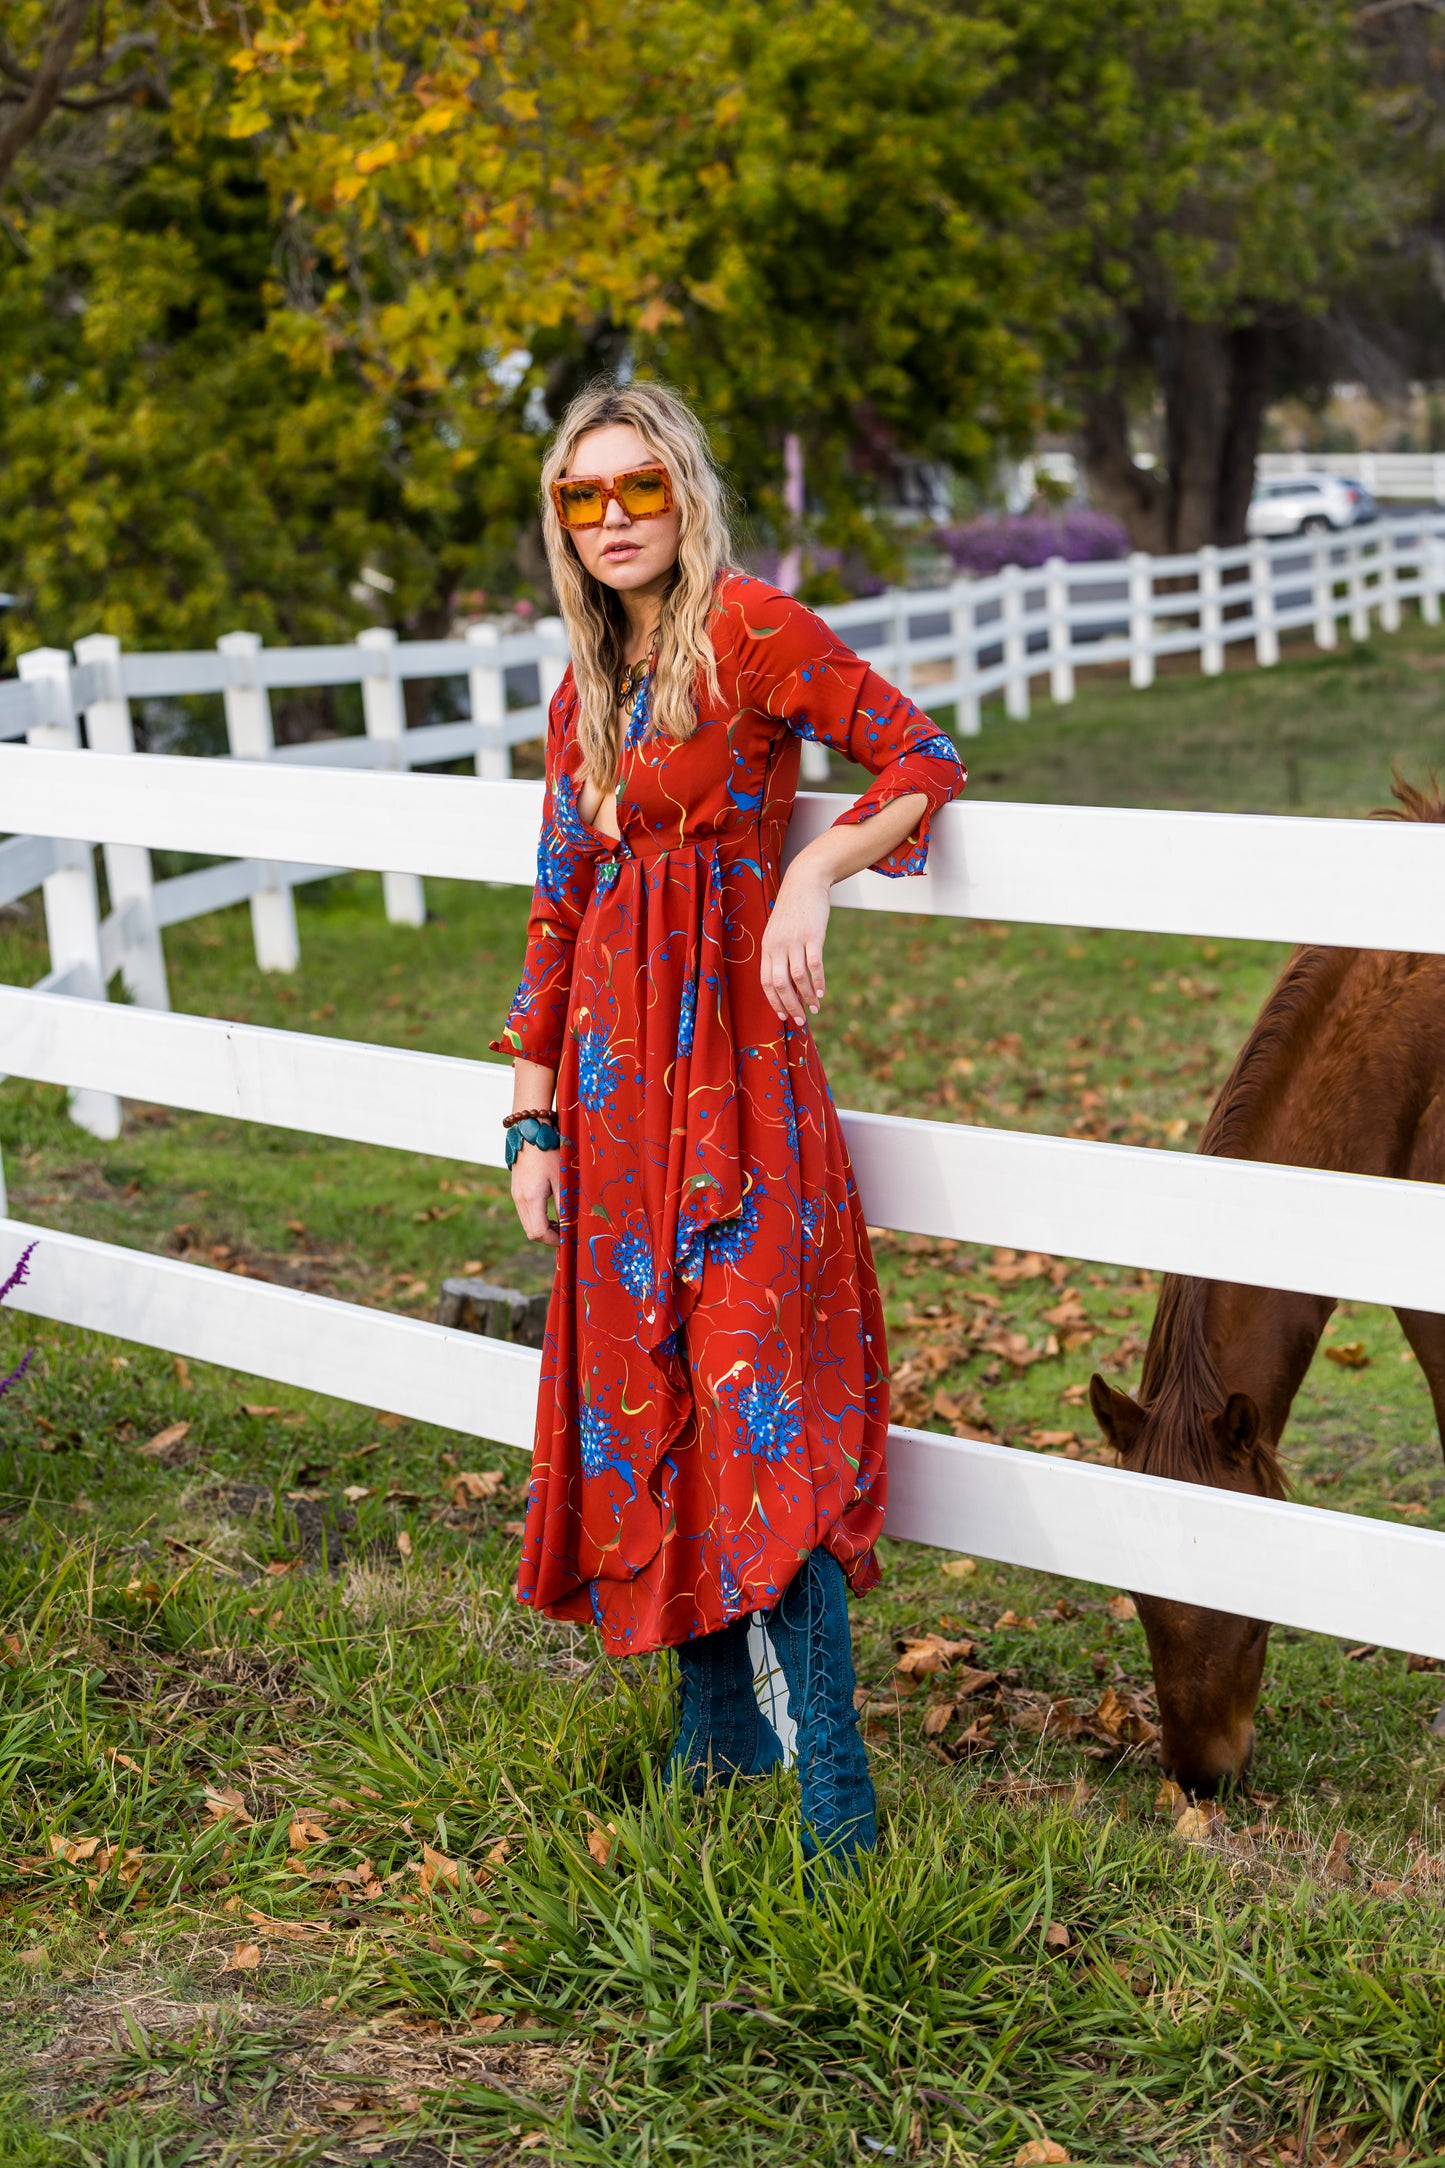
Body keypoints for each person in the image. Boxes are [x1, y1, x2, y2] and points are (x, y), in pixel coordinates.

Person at [492, 379, 965, 1871]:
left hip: (738, 1077)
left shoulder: (755, 630)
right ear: (561, 524)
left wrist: (810, 877)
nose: (614, 519)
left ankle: (835, 1788)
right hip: (613, 1098)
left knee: (760, 1391)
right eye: (585, 498)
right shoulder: (583, 687)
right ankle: (716, 1735)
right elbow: (561, 902)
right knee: (638, 1392)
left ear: (684, 493)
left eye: (638, 488)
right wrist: (529, 1118)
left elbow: (920, 758)